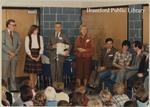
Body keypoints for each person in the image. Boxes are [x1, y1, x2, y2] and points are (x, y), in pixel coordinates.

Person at [2, 19, 21, 91]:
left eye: (15, 25)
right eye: (13, 25)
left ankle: (13, 88)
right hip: (6, 56)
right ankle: (4, 89)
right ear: (8, 25)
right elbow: (2, 45)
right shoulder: (3, 33)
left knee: (13, 73)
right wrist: (10, 53)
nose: (14, 26)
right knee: (5, 74)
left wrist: (14, 53)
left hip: (14, 56)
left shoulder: (17, 34)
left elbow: (19, 45)